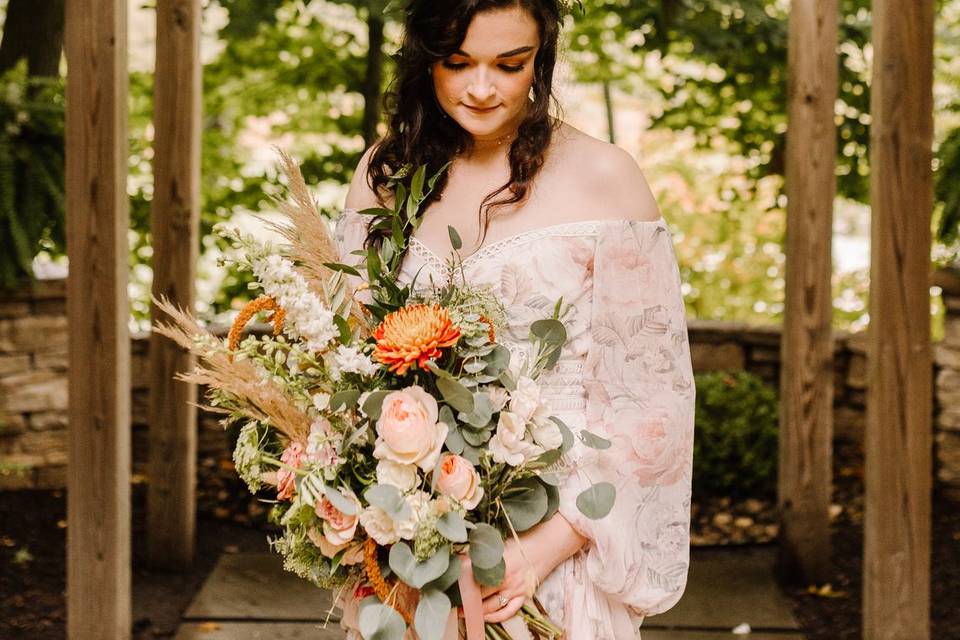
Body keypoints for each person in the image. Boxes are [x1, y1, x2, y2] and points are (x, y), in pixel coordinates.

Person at [334, 1, 696, 637]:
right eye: (457, 63)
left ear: (541, 59)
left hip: (551, 557)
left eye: (509, 64)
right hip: (410, 555)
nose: (481, 88)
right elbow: (347, 362)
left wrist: (538, 552)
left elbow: (652, 406)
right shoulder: (383, 175)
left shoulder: (606, 176)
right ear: (426, 59)